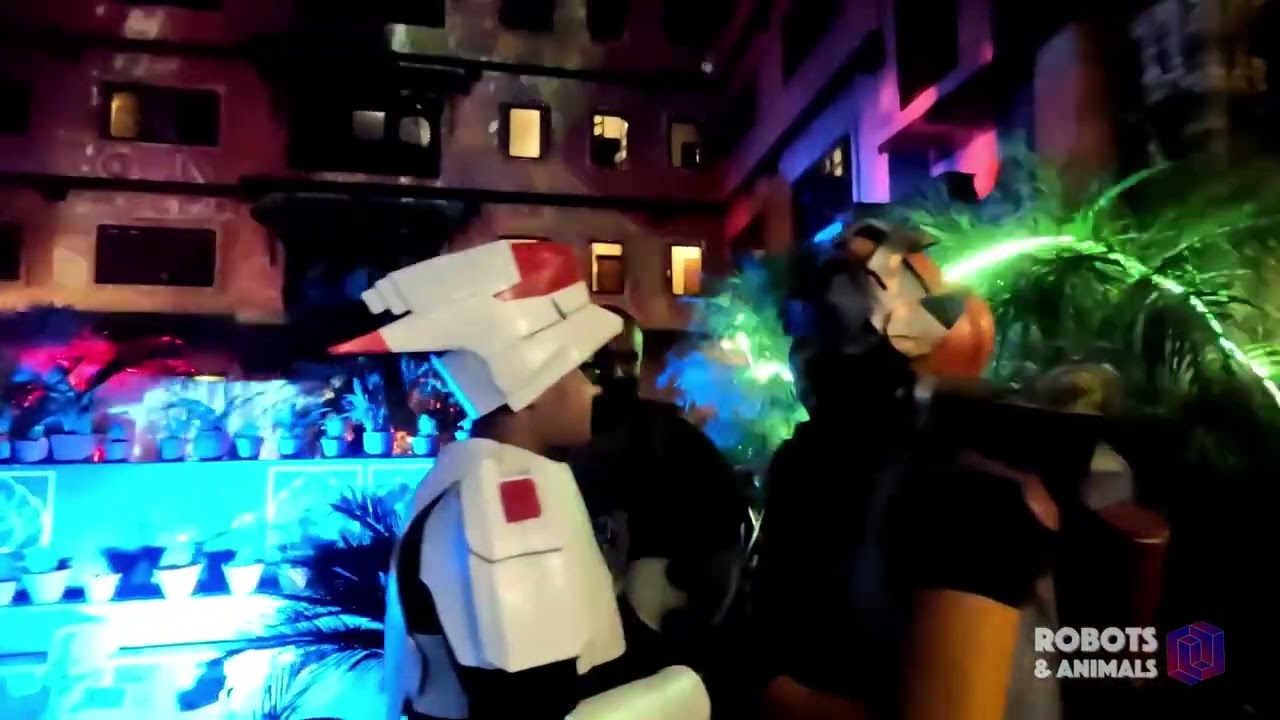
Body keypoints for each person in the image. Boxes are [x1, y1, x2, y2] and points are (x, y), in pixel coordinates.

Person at [331, 240, 712, 720]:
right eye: (582, 369)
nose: (595, 388)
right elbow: (530, 703)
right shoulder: (503, 497)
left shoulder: (480, 483)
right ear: (532, 385)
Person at [752, 220, 1099, 720]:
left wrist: (765, 688)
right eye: (804, 338)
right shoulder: (818, 471)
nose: (804, 362)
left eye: (825, 336)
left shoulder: (967, 496)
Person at [570, 308, 748, 705]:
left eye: (626, 358)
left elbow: (726, 542)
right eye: (600, 360)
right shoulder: (558, 443)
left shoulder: (674, 441)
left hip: (653, 645)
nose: (617, 373)